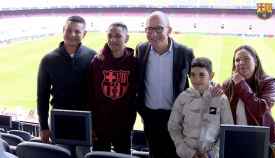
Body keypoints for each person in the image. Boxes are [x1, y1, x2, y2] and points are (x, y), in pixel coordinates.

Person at [136, 11, 194, 158]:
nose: (153, 34)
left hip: (175, 117)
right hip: (150, 117)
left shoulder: (184, 52)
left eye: (159, 29)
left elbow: (197, 80)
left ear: (169, 30)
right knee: (154, 154)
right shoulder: (141, 49)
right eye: (149, 29)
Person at [37, 16, 96, 157]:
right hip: (59, 119)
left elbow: (96, 94)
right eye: (68, 30)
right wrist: (44, 127)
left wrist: (96, 124)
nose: (72, 34)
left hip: (85, 119)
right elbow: (42, 96)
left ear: (84, 34)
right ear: (63, 31)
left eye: (77, 31)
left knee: (84, 155)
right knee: (61, 155)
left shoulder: (93, 56)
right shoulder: (48, 59)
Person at [168, 57, 233, 158]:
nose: (196, 79)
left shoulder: (220, 99)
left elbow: (228, 130)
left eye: (202, 75)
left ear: (211, 75)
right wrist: (187, 151)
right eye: (192, 75)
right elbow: (173, 127)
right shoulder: (183, 98)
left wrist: (212, 154)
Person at [88, 22, 137, 154]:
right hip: (100, 125)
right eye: (110, 35)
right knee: (99, 156)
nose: (113, 39)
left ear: (126, 38)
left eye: (118, 36)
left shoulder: (134, 63)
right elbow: (91, 94)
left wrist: (130, 121)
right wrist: (91, 124)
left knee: (123, 154)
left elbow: (135, 94)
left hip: (124, 125)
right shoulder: (97, 62)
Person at [222, 45, 275, 147]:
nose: (241, 63)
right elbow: (221, 112)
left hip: (262, 139)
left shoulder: (269, 82)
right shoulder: (228, 84)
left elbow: (261, 108)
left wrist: (241, 84)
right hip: (235, 138)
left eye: (246, 59)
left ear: (256, 62)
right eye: (237, 60)